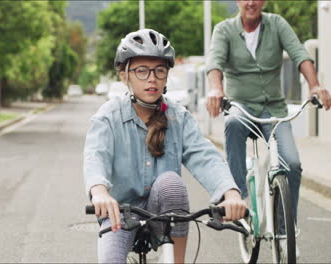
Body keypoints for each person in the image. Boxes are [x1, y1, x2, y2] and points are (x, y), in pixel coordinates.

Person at [83, 29, 246, 264]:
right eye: (142, 71)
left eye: (159, 70)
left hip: (166, 213)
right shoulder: (109, 115)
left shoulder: (178, 117)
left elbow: (205, 156)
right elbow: (95, 155)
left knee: (171, 184)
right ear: (124, 74)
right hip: (120, 212)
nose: (152, 78)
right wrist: (99, 192)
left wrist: (230, 194)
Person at [206, 0, 331, 258]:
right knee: (232, 123)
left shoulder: (277, 24)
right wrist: (216, 89)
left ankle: (285, 232)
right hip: (241, 106)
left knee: (292, 164)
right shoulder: (224, 30)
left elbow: (300, 54)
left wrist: (315, 85)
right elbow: (214, 63)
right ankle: (236, 198)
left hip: (274, 109)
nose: (251, 2)